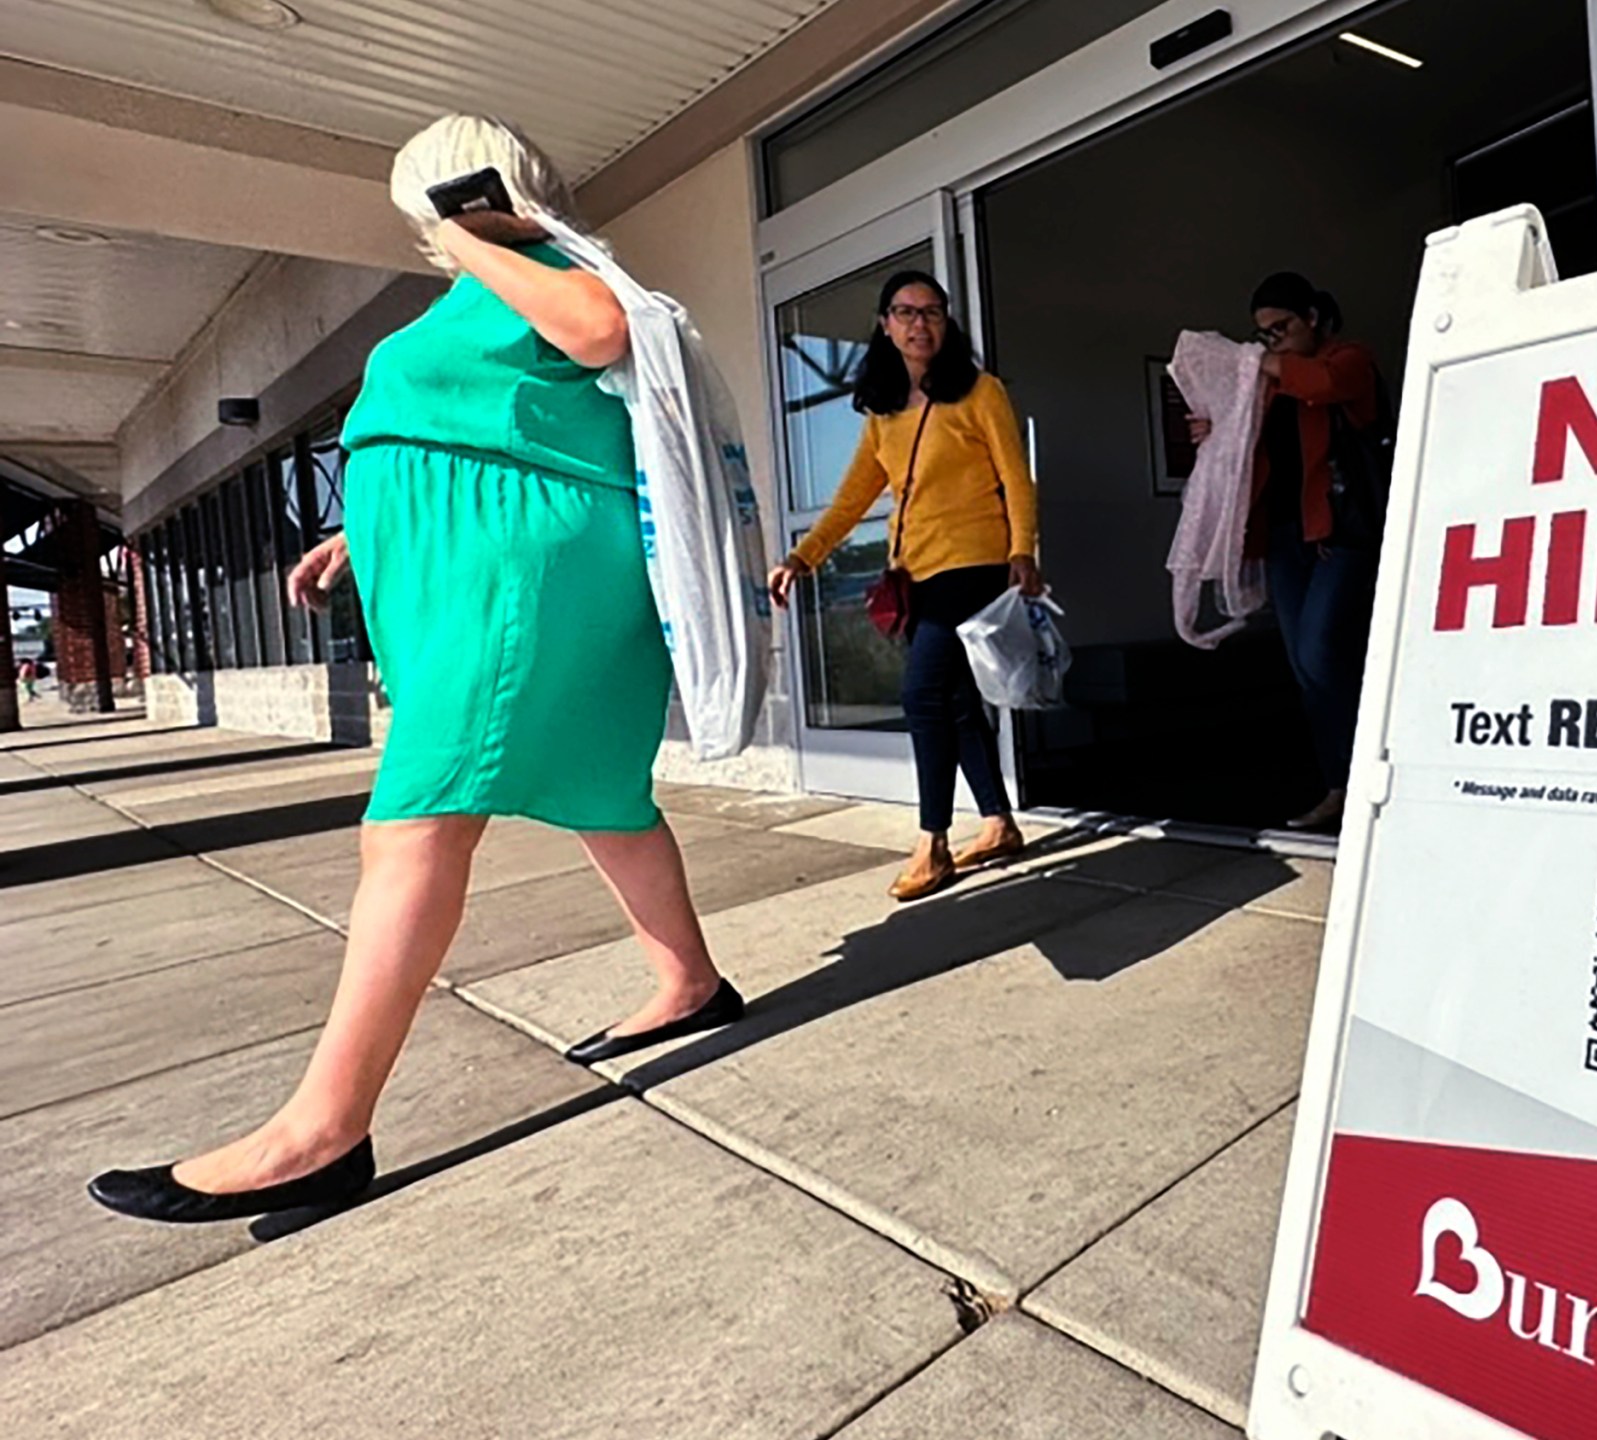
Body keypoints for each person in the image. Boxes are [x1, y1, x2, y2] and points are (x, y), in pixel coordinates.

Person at [88, 115, 743, 1225]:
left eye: (431, 201)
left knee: (417, 818)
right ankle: (689, 982)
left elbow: (596, 335)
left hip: (521, 577)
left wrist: (481, 230)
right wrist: (365, 530)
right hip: (476, 571)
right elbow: (470, 425)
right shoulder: (479, 295)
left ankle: (321, 1130)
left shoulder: (541, 265)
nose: (430, 226)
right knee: (601, 792)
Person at [768, 271, 1040, 902]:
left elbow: (1015, 477)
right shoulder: (884, 414)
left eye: (933, 313)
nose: (920, 323)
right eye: (906, 312)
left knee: (921, 695)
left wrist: (1023, 549)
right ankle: (998, 823)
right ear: (885, 325)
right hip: (916, 572)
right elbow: (851, 499)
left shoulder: (980, 393)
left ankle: (933, 842)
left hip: (973, 564)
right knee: (956, 702)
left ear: (947, 325)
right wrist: (803, 556)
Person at [1188, 272, 1384, 832]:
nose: (1272, 340)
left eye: (1282, 327)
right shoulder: (1269, 381)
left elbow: (1323, 382)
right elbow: (1246, 440)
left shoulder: (1349, 359)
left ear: (1314, 318)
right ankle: (1340, 786)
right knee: (1306, 665)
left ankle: (1368, 778)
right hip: (1285, 539)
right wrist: (1217, 430)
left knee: (1325, 655)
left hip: (1339, 534)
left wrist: (1254, 364)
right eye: (1264, 333)